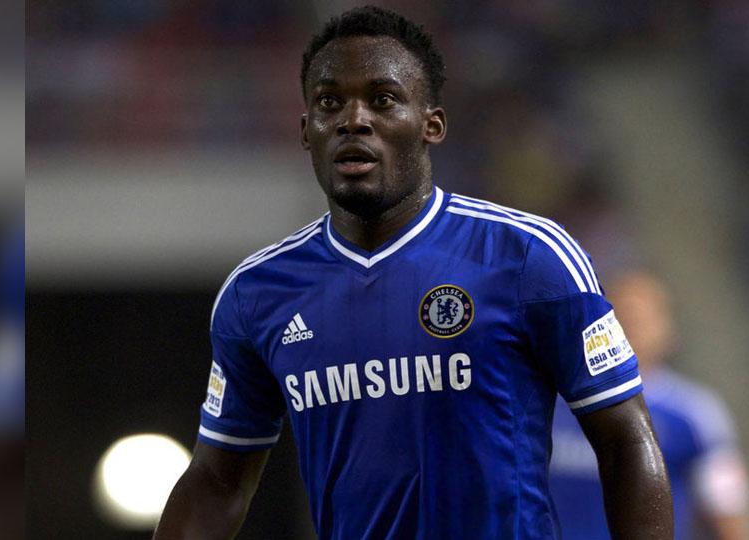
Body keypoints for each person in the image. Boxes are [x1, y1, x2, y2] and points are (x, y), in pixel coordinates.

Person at [154, 6, 672, 539]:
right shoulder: (257, 294)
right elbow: (217, 482)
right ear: (307, 131)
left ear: (432, 125)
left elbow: (626, 441)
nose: (354, 120)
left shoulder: (528, 256)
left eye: (382, 100)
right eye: (330, 103)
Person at [549, 271, 749, 539]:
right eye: (621, 316)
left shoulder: (693, 414)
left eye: (642, 319)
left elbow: (727, 510)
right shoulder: (552, 404)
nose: (631, 327)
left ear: (668, 330)